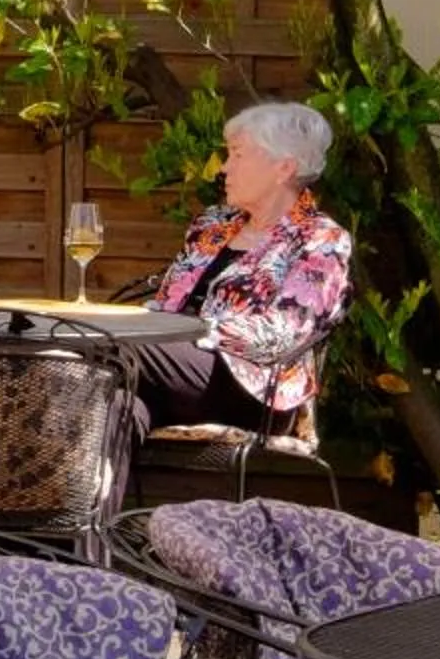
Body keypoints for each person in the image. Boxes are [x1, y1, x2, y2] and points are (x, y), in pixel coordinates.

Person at [135, 100, 352, 438]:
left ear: (283, 168)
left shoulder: (321, 239)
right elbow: (167, 303)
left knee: (116, 350)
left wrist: (194, 330)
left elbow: (283, 333)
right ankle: (94, 476)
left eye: (237, 154)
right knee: (112, 405)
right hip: (174, 369)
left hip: (255, 386)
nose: (224, 168)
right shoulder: (212, 225)